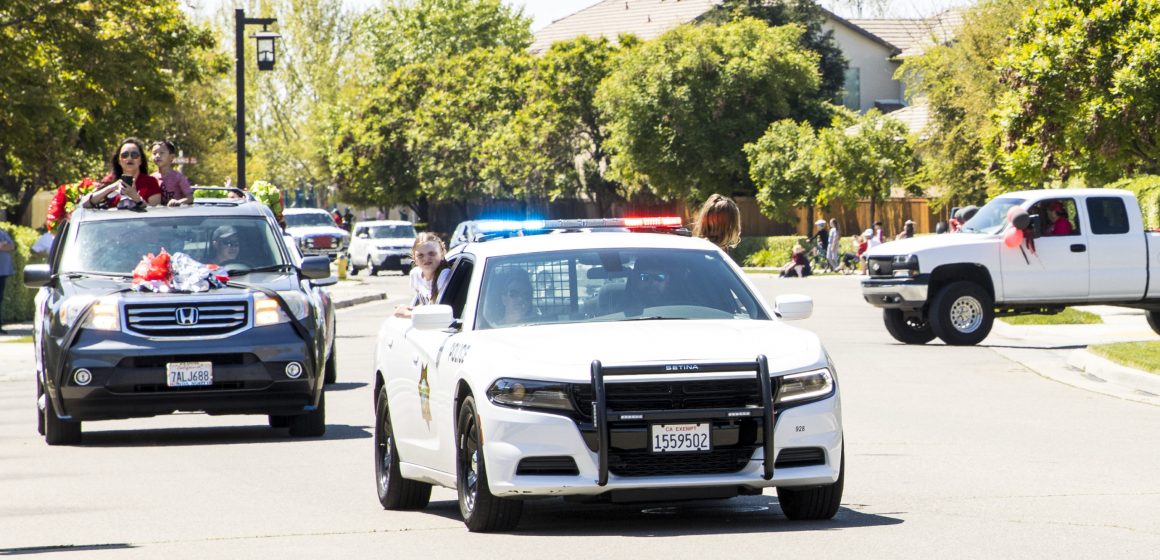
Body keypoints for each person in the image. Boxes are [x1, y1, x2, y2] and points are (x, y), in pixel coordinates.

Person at [82, 137, 162, 209]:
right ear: (119, 160)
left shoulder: (150, 182)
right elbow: (84, 204)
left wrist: (136, 197)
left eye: (134, 155)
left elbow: (154, 213)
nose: (129, 158)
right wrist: (112, 187)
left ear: (141, 160)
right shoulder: (110, 180)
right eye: (125, 155)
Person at [394, 233, 451, 318]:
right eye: (420, 255)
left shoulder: (444, 275)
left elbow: (437, 314)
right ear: (414, 259)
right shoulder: (415, 274)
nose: (426, 258)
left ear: (442, 254)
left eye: (431, 254)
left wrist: (407, 314)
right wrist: (411, 309)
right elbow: (426, 305)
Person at [150, 140, 193, 206]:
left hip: (175, 214)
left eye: (161, 153)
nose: (157, 156)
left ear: (171, 157)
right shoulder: (151, 178)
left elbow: (190, 198)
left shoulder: (179, 177)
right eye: (154, 153)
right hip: (157, 214)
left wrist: (178, 202)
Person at [0, 228, 13, 334]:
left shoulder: (3, 232)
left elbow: (12, 246)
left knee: (0, 299)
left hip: (3, 271)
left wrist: (4, 246)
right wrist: (3, 245)